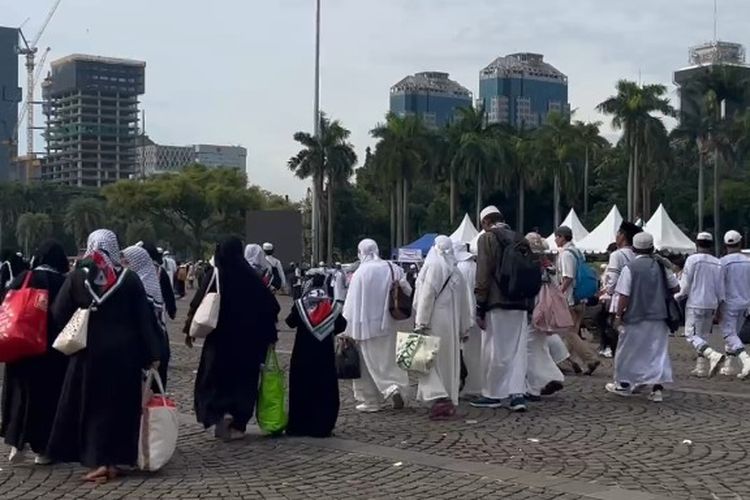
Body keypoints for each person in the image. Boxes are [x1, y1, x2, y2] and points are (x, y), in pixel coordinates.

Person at [47, 229, 162, 483]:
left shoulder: (78, 277)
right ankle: (116, 459)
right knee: (119, 406)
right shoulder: (129, 279)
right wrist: (153, 353)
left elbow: (58, 312)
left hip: (88, 353)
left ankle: (98, 461)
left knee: (92, 406)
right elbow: (144, 319)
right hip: (124, 354)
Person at [185, 237, 280, 440]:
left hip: (220, 341)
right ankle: (238, 424)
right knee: (244, 382)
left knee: (215, 378)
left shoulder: (216, 275)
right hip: (249, 344)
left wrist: (189, 330)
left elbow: (197, 301)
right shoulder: (251, 277)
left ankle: (219, 413)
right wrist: (269, 336)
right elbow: (272, 307)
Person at [1, 241, 70, 465]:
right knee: (47, 398)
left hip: (21, 345)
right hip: (50, 351)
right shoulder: (62, 282)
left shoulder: (24, 277)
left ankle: (15, 443)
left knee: (19, 395)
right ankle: (43, 450)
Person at [605, 232, 680, 402]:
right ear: (652, 248)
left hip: (635, 316)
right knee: (657, 352)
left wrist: (618, 315)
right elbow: (675, 287)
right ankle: (657, 388)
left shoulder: (630, 268)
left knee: (627, 351)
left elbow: (624, 295)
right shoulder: (661, 266)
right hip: (659, 315)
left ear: (633, 248)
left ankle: (624, 384)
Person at [472, 206, 531, 412]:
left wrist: (480, 304)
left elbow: (483, 273)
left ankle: (493, 394)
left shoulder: (487, 238)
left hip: (497, 302)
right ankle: (517, 394)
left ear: (485, 222)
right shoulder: (520, 238)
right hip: (521, 302)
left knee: (495, 350)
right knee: (518, 350)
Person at [342, 239, 410, 412]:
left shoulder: (361, 273)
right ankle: (398, 389)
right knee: (392, 360)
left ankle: (373, 400)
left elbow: (351, 303)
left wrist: (347, 329)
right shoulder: (393, 267)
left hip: (366, 326)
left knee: (366, 364)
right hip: (392, 323)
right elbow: (408, 290)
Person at [413, 236, 473, 419]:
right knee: (448, 361)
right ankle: (446, 397)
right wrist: (464, 328)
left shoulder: (433, 266)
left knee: (424, 361)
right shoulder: (457, 271)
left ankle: (438, 396)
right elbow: (464, 303)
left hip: (434, 320)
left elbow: (427, 295)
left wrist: (421, 322)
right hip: (452, 322)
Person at [286, 274, 347, 437]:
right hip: (324, 357)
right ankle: (321, 425)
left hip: (302, 355)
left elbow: (289, 322)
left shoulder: (300, 304)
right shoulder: (331, 305)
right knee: (324, 389)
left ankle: (299, 425)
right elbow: (341, 325)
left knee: (301, 388)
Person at [554, 226, 600, 376]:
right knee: (572, 332)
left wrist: (558, 293)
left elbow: (568, 277)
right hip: (581, 297)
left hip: (570, 298)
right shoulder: (577, 252)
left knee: (569, 333)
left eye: (557, 237)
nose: (555, 240)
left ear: (562, 237)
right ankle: (569, 362)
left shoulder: (566, 254)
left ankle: (590, 358)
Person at [122, 245, 171, 388]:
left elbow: (147, 323)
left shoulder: (145, 287)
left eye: (126, 262)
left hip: (150, 348)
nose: (123, 266)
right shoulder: (137, 283)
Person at [524, 232, 565, 400]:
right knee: (539, 347)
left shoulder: (531, 267)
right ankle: (550, 376)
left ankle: (535, 385)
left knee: (528, 349)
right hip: (546, 312)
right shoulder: (549, 267)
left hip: (534, 311)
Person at [678, 232, 725, 377]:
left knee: (690, 334)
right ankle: (700, 367)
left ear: (697, 244)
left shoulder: (692, 260)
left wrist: (678, 296)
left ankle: (712, 355)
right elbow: (721, 288)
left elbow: (685, 285)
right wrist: (720, 306)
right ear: (710, 245)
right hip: (712, 303)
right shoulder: (717, 262)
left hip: (695, 302)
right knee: (703, 335)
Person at [600, 222, 643, 358]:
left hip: (619, 300)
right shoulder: (637, 255)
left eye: (618, 233)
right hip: (637, 300)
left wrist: (607, 292)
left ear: (623, 236)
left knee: (615, 335)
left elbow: (612, 279)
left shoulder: (617, 255)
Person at [718, 230, 750, 378]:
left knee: (729, 334)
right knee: (734, 334)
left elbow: (719, 286)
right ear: (740, 243)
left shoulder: (722, 262)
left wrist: (717, 305)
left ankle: (746, 360)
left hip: (728, 303)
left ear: (725, 245)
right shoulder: (748, 261)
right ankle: (729, 366)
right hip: (745, 303)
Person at [454, 242, 482, 397]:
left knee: (466, 353)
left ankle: (469, 385)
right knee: (477, 352)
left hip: (467, 316)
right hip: (478, 314)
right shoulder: (476, 266)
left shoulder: (460, 269)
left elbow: (463, 297)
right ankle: (478, 384)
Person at [139, 241, 177, 321]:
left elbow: (167, 291)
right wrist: (171, 309)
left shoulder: (135, 270)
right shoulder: (160, 270)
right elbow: (168, 292)